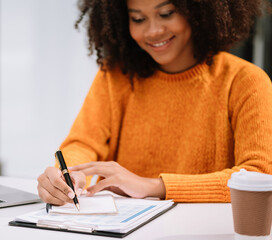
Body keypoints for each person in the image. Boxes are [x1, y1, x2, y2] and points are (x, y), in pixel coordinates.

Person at [37, 0, 272, 205]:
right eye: (138, 19)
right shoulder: (116, 76)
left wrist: (152, 186)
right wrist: (67, 176)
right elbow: (84, 143)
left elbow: (258, 175)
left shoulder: (244, 81)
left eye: (166, 13)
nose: (153, 31)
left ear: (197, 10)